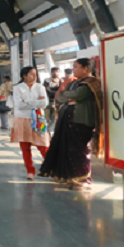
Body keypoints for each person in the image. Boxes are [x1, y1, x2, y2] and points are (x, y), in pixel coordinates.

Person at [39, 59, 103, 190]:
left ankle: (83, 180)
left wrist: (67, 95)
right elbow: (60, 96)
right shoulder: (74, 82)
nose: (73, 70)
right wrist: (69, 96)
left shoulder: (91, 83)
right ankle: (71, 178)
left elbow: (78, 95)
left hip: (81, 121)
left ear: (86, 68)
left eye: (76, 67)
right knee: (68, 150)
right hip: (68, 120)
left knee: (80, 151)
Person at [11, 66, 50, 180]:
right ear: (24, 76)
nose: (35, 76)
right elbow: (19, 105)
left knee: (43, 146)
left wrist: (27, 102)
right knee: (25, 147)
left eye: (35, 74)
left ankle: (50, 169)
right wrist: (36, 102)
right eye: (32, 74)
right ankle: (30, 171)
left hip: (38, 119)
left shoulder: (40, 87)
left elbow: (44, 103)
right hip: (21, 119)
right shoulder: (18, 88)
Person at [43, 67, 62, 131]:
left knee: (54, 118)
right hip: (47, 102)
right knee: (46, 118)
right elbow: (44, 90)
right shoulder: (46, 80)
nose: (55, 73)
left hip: (56, 103)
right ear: (51, 72)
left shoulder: (61, 81)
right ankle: (44, 131)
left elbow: (61, 91)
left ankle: (51, 132)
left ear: (59, 73)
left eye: (57, 72)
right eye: (53, 71)